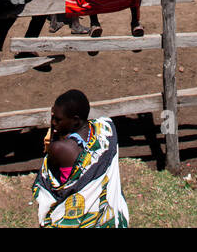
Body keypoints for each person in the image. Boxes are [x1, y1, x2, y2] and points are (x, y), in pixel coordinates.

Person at [32, 89, 129, 228]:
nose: (53, 122)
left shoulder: (60, 149)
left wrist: (55, 135)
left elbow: (48, 176)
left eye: (57, 119)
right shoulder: (107, 129)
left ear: (76, 121)